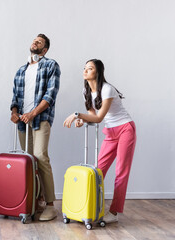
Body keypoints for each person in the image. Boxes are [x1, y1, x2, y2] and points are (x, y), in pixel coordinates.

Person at [63, 59, 136, 223]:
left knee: (121, 172)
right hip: (110, 131)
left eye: (90, 68)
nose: (85, 71)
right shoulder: (86, 91)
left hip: (125, 129)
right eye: (85, 68)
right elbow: (92, 116)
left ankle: (114, 212)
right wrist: (82, 120)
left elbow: (99, 117)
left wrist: (77, 115)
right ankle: (90, 205)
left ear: (98, 72)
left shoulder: (107, 89)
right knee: (98, 171)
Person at [10, 34, 61, 221]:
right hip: (23, 122)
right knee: (27, 161)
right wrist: (14, 113)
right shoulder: (21, 70)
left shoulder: (50, 65)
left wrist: (33, 113)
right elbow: (15, 97)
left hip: (41, 119)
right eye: (34, 40)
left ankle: (50, 205)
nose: (35, 43)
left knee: (40, 157)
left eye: (39, 42)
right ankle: (35, 200)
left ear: (45, 50)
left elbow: (50, 95)